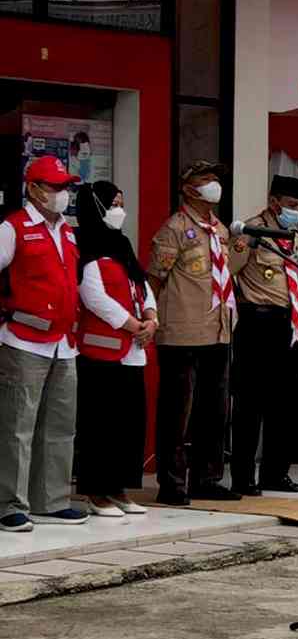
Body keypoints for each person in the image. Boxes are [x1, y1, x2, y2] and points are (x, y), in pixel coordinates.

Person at [0, 156, 89, 531]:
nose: (62, 194)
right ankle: (9, 504)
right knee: (17, 427)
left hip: (63, 343)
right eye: (54, 187)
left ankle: (51, 500)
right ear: (33, 189)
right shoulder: (12, 227)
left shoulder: (67, 230)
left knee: (60, 426)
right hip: (24, 340)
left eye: (65, 187)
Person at [147, 161, 240, 506]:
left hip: (218, 329)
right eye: (206, 179)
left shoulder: (220, 230)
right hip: (182, 331)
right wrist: (150, 316)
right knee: (177, 411)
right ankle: (172, 482)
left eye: (217, 178)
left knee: (215, 409)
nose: (214, 184)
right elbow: (154, 279)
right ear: (188, 188)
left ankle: (207, 477)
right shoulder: (174, 229)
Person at [74, 182, 154, 517]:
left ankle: (119, 487)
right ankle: (96, 492)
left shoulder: (121, 243)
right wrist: (133, 325)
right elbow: (93, 295)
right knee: (100, 423)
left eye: (122, 202)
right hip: (101, 351)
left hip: (133, 351)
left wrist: (151, 318)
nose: (120, 209)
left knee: (129, 422)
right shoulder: (83, 243)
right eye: (114, 203)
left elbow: (142, 284)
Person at [229, 175, 298, 496]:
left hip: (286, 324)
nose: (296, 211)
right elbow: (229, 270)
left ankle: (276, 473)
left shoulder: (295, 237)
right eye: (291, 205)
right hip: (256, 321)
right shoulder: (251, 232)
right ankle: (243, 476)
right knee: (250, 403)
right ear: (274, 202)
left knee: (284, 404)